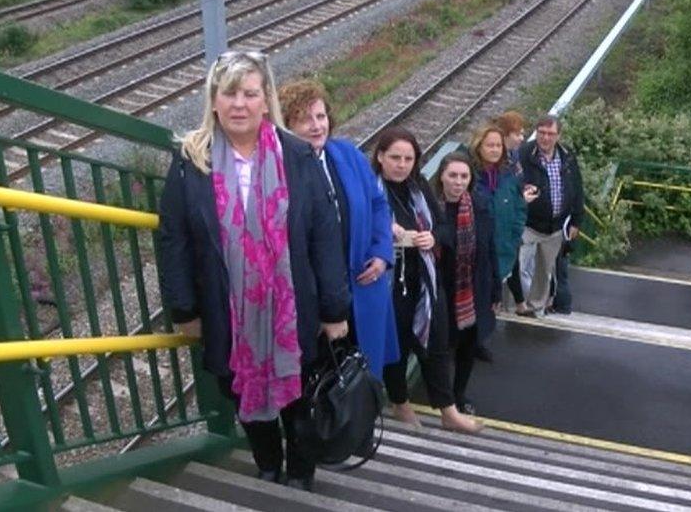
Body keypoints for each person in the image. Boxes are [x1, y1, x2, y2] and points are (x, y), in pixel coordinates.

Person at [158, 50, 350, 492]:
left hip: (293, 308)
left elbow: (324, 235)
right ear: (214, 100)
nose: (239, 104)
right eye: (230, 93)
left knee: (299, 395)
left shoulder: (298, 155)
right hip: (228, 313)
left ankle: (300, 472)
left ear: (266, 101)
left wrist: (335, 308)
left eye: (249, 93)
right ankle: (267, 461)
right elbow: (174, 239)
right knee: (240, 392)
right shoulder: (192, 160)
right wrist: (184, 308)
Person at [277, 79, 399, 378]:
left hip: (362, 285)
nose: (317, 126)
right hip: (313, 302)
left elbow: (378, 205)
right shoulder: (279, 169)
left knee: (363, 379)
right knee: (322, 385)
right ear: (285, 125)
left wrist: (382, 252)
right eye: (305, 119)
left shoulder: (347, 155)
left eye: (321, 116)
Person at [372, 126, 482, 434]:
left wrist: (431, 237)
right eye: (395, 157)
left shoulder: (419, 187)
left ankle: (448, 409)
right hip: (389, 282)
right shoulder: (371, 190)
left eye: (408, 158)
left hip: (424, 280)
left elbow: (445, 230)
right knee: (398, 344)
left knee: (435, 343)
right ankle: (400, 402)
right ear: (380, 157)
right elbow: (357, 232)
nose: (402, 164)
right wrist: (385, 231)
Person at [433, 152, 500, 414]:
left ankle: (458, 394)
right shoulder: (429, 208)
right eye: (452, 175)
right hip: (439, 289)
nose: (458, 182)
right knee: (438, 346)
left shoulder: (479, 206)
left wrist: (495, 287)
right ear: (442, 176)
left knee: (468, 345)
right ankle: (441, 395)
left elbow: (489, 248)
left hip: (472, 289)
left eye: (464, 176)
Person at [517, 115, 585, 317]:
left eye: (550, 134)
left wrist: (576, 220)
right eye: (541, 133)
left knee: (544, 272)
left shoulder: (567, 157)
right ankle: (516, 305)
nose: (545, 138)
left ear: (558, 136)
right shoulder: (523, 154)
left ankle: (536, 308)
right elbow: (512, 181)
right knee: (520, 268)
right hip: (527, 224)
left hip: (555, 227)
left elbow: (577, 189)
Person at [469, 124, 536, 322]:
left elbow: (519, 208)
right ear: (478, 146)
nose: (495, 150)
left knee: (491, 302)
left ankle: (480, 343)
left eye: (498, 145)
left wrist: (514, 237)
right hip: (474, 251)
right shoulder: (468, 173)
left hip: (502, 248)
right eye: (490, 145)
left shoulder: (508, 175)